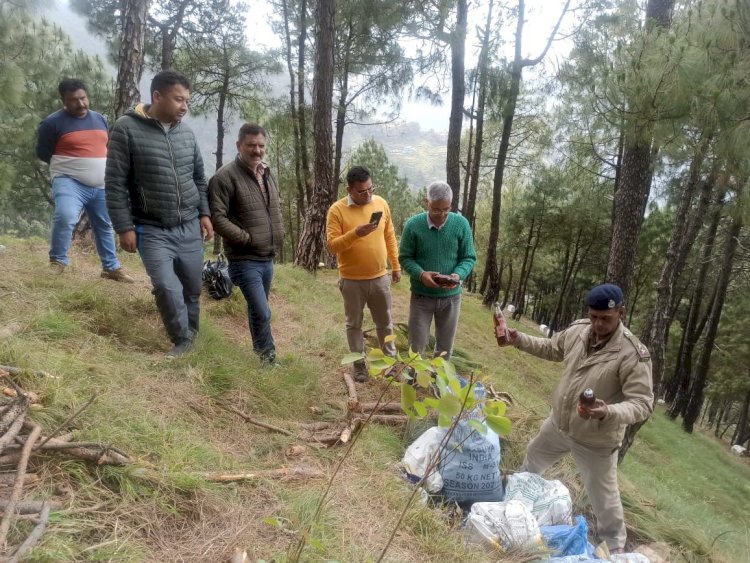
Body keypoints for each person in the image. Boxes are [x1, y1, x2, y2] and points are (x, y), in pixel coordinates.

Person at [496, 283, 653, 553]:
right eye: (594, 316)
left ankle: (614, 549)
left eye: (606, 318)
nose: (598, 323)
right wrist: (517, 339)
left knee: (604, 498)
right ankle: (514, 508)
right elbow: (552, 349)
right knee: (532, 460)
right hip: (559, 424)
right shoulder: (579, 331)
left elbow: (642, 404)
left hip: (596, 438)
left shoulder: (631, 353)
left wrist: (608, 411)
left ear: (621, 313)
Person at [105, 70, 213, 359]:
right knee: (166, 286)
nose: (184, 106)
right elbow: (115, 183)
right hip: (151, 227)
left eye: (187, 101)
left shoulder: (186, 133)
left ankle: (192, 336)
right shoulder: (126, 128)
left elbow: (199, 178)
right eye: (179, 99)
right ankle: (181, 340)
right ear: (157, 96)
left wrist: (204, 213)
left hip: (189, 224)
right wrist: (123, 226)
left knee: (191, 287)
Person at [36, 78, 133, 282]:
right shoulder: (51, 123)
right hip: (69, 181)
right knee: (65, 216)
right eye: (73, 100)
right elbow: (44, 153)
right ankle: (58, 262)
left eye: (83, 98)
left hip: (100, 184)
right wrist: (73, 166)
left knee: (105, 224)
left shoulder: (99, 119)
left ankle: (110, 268)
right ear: (63, 100)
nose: (81, 104)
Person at [209, 123, 284, 365]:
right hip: (244, 259)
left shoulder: (266, 173)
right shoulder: (225, 176)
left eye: (261, 145)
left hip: (266, 257)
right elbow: (217, 217)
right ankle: (268, 358)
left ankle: (263, 356)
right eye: (251, 145)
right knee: (262, 311)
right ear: (239, 145)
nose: (257, 150)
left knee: (258, 310)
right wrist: (245, 238)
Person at [326, 166, 401, 382]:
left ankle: (390, 362)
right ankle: (359, 364)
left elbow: (390, 236)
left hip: (379, 277)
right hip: (351, 280)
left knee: (385, 322)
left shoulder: (381, 203)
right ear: (349, 189)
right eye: (362, 191)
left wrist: (395, 266)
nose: (368, 194)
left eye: (370, 189)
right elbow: (332, 246)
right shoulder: (337, 210)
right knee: (354, 324)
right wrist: (355, 234)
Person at [398, 181, 476, 360]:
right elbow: (405, 257)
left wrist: (458, 275)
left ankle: (438, 384)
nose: (442, 214)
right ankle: (412, 381)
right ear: (427, 202)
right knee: (416, 346)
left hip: (451, 298)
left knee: (444, 349)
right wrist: (421, 274)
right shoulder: (413, 225)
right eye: (436, 210)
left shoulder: (461, 224)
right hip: (421, 297)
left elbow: (469, 257)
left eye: (446, 209)